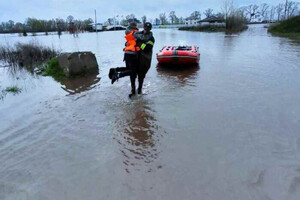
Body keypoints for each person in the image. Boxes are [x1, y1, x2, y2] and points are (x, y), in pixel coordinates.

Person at [109, 22, 140, 97]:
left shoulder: (128, 33)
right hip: (132, 55)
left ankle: (115, 70)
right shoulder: (135, 33)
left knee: (128, 70)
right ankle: (117, 75)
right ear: (134, 27)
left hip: (127, 55)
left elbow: (127, 43)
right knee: (133, 72)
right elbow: (142, 39)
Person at [134, 22, 155, 94]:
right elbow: (131, 42)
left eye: (147, 29)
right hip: (137, 57)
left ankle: (140, 89)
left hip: (145, 59)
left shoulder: (152, 39)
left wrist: (139, 44)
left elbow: (147, 48)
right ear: (143, 28)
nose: (146, 30)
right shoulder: (138, 35)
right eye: (145, 29)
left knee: (141, 74)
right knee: (133, 72)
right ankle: (133, 89)